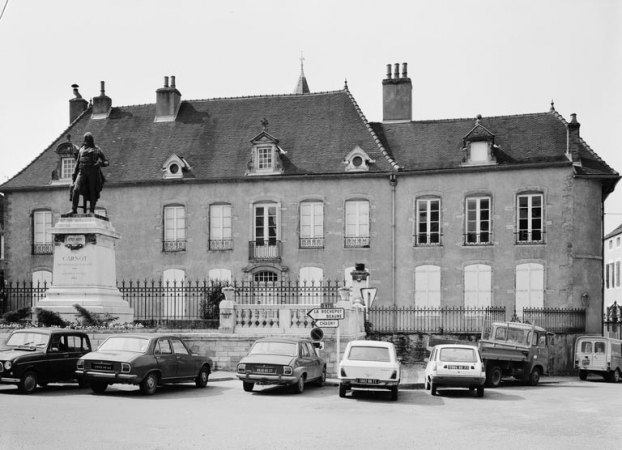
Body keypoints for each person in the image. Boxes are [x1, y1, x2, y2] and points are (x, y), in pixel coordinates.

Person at [69, 132, 109, 214]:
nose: (86, 141)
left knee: (92, 191)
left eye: (88, 139)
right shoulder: (81, 149)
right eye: (85, 139)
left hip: (92, 172)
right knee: (76, 189)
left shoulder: (97, 149)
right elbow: (77, 162)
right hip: (82, 171)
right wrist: (73, 173)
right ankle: (74, 209)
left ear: (91, 140)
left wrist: (100, 163)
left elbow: (106, 162)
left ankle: (91, 210)